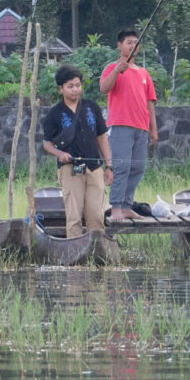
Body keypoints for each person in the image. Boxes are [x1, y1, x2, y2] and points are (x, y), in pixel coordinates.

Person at [37, 66, 112, 236]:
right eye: (70, 86)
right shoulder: (54, 113)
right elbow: (47, 144)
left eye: (78, 85)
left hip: (94, 167)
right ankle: (75, 254)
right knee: (74, 217)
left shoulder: (91, 107)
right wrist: (59, 154)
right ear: (60, 89)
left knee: (96, 215)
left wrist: (109, 166)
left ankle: (97, 253)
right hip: (69, 170)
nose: (75, 90)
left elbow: (102, 138)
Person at [100, 28, 160, 219]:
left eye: (135, 42)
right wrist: (118, 70)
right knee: (121, 166)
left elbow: (150, 102)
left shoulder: (143, 73)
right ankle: (116, 207)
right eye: (128, 42)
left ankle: (126, 205)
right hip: (121, 125)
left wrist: (153, 129)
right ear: (119, 45)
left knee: (138, 167)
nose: (133, 46)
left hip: (141, 127)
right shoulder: (112, 68)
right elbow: (103, 88)